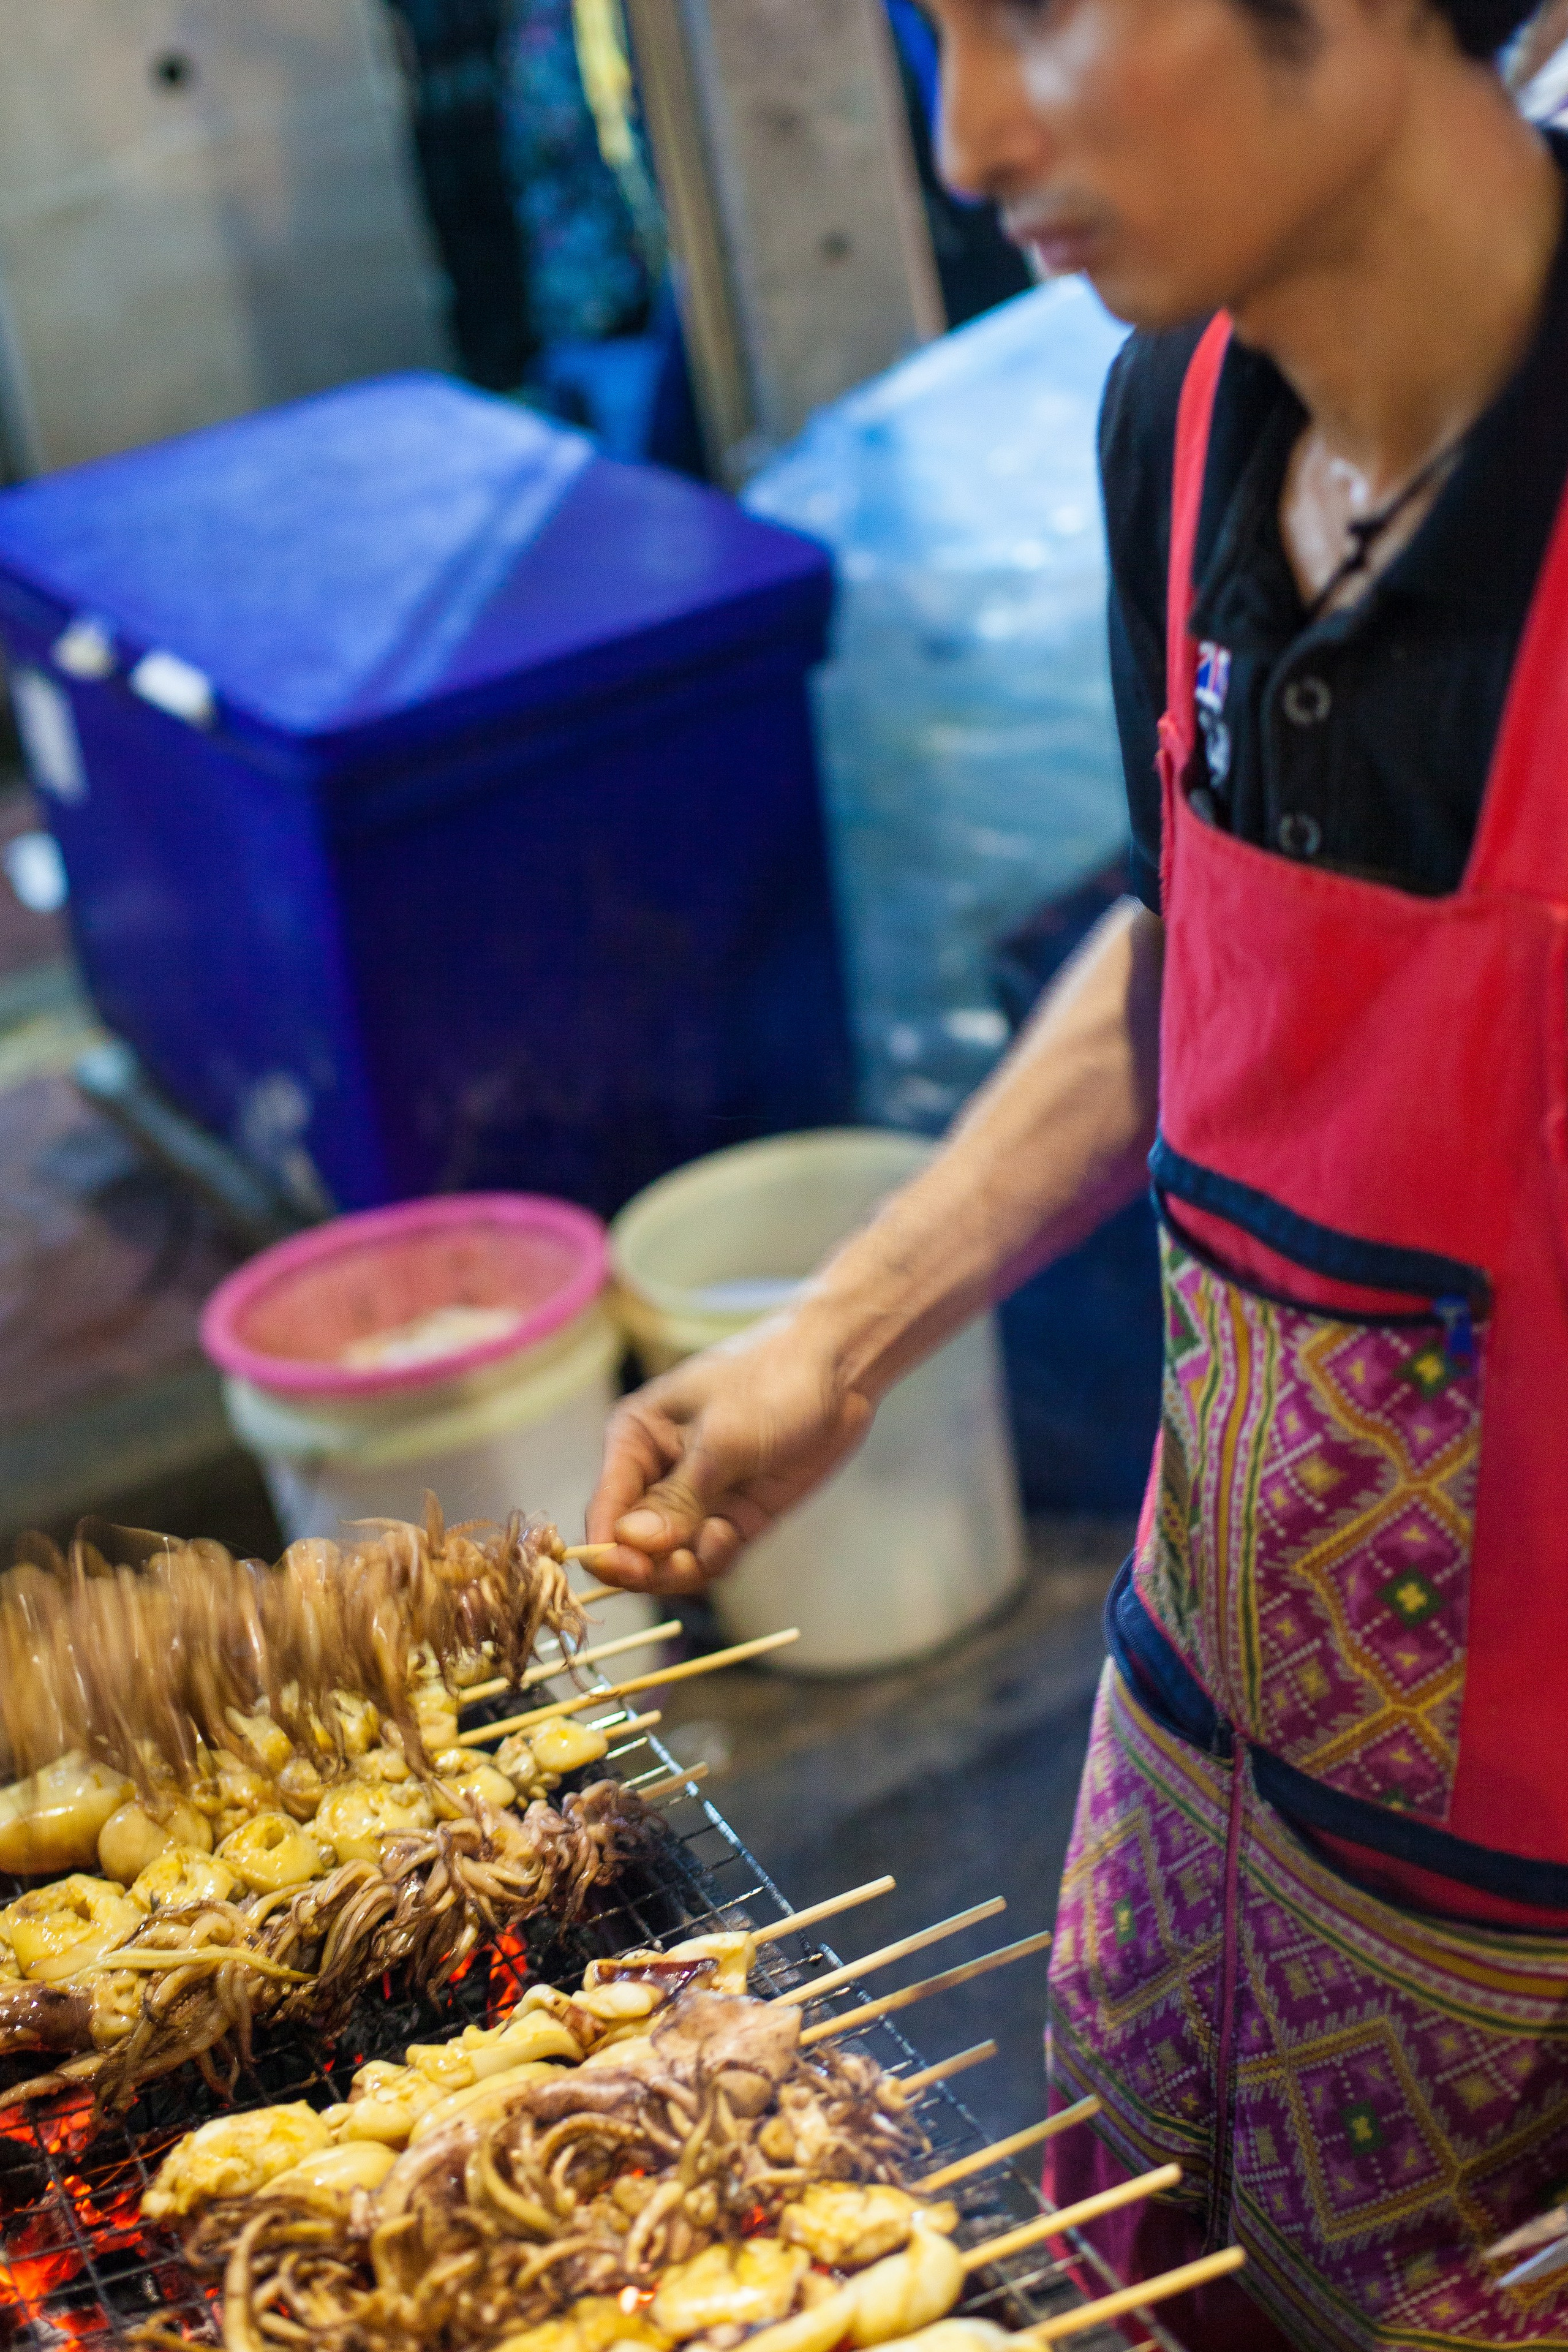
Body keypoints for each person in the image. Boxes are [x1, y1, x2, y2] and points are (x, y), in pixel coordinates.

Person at [585, 0, 1568, 2335]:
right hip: (1199, 1738)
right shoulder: (1185, 407)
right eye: (939, 29)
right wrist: (846, 1329)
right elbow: (1194, 928)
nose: (972, 135)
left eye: (1047, 13)